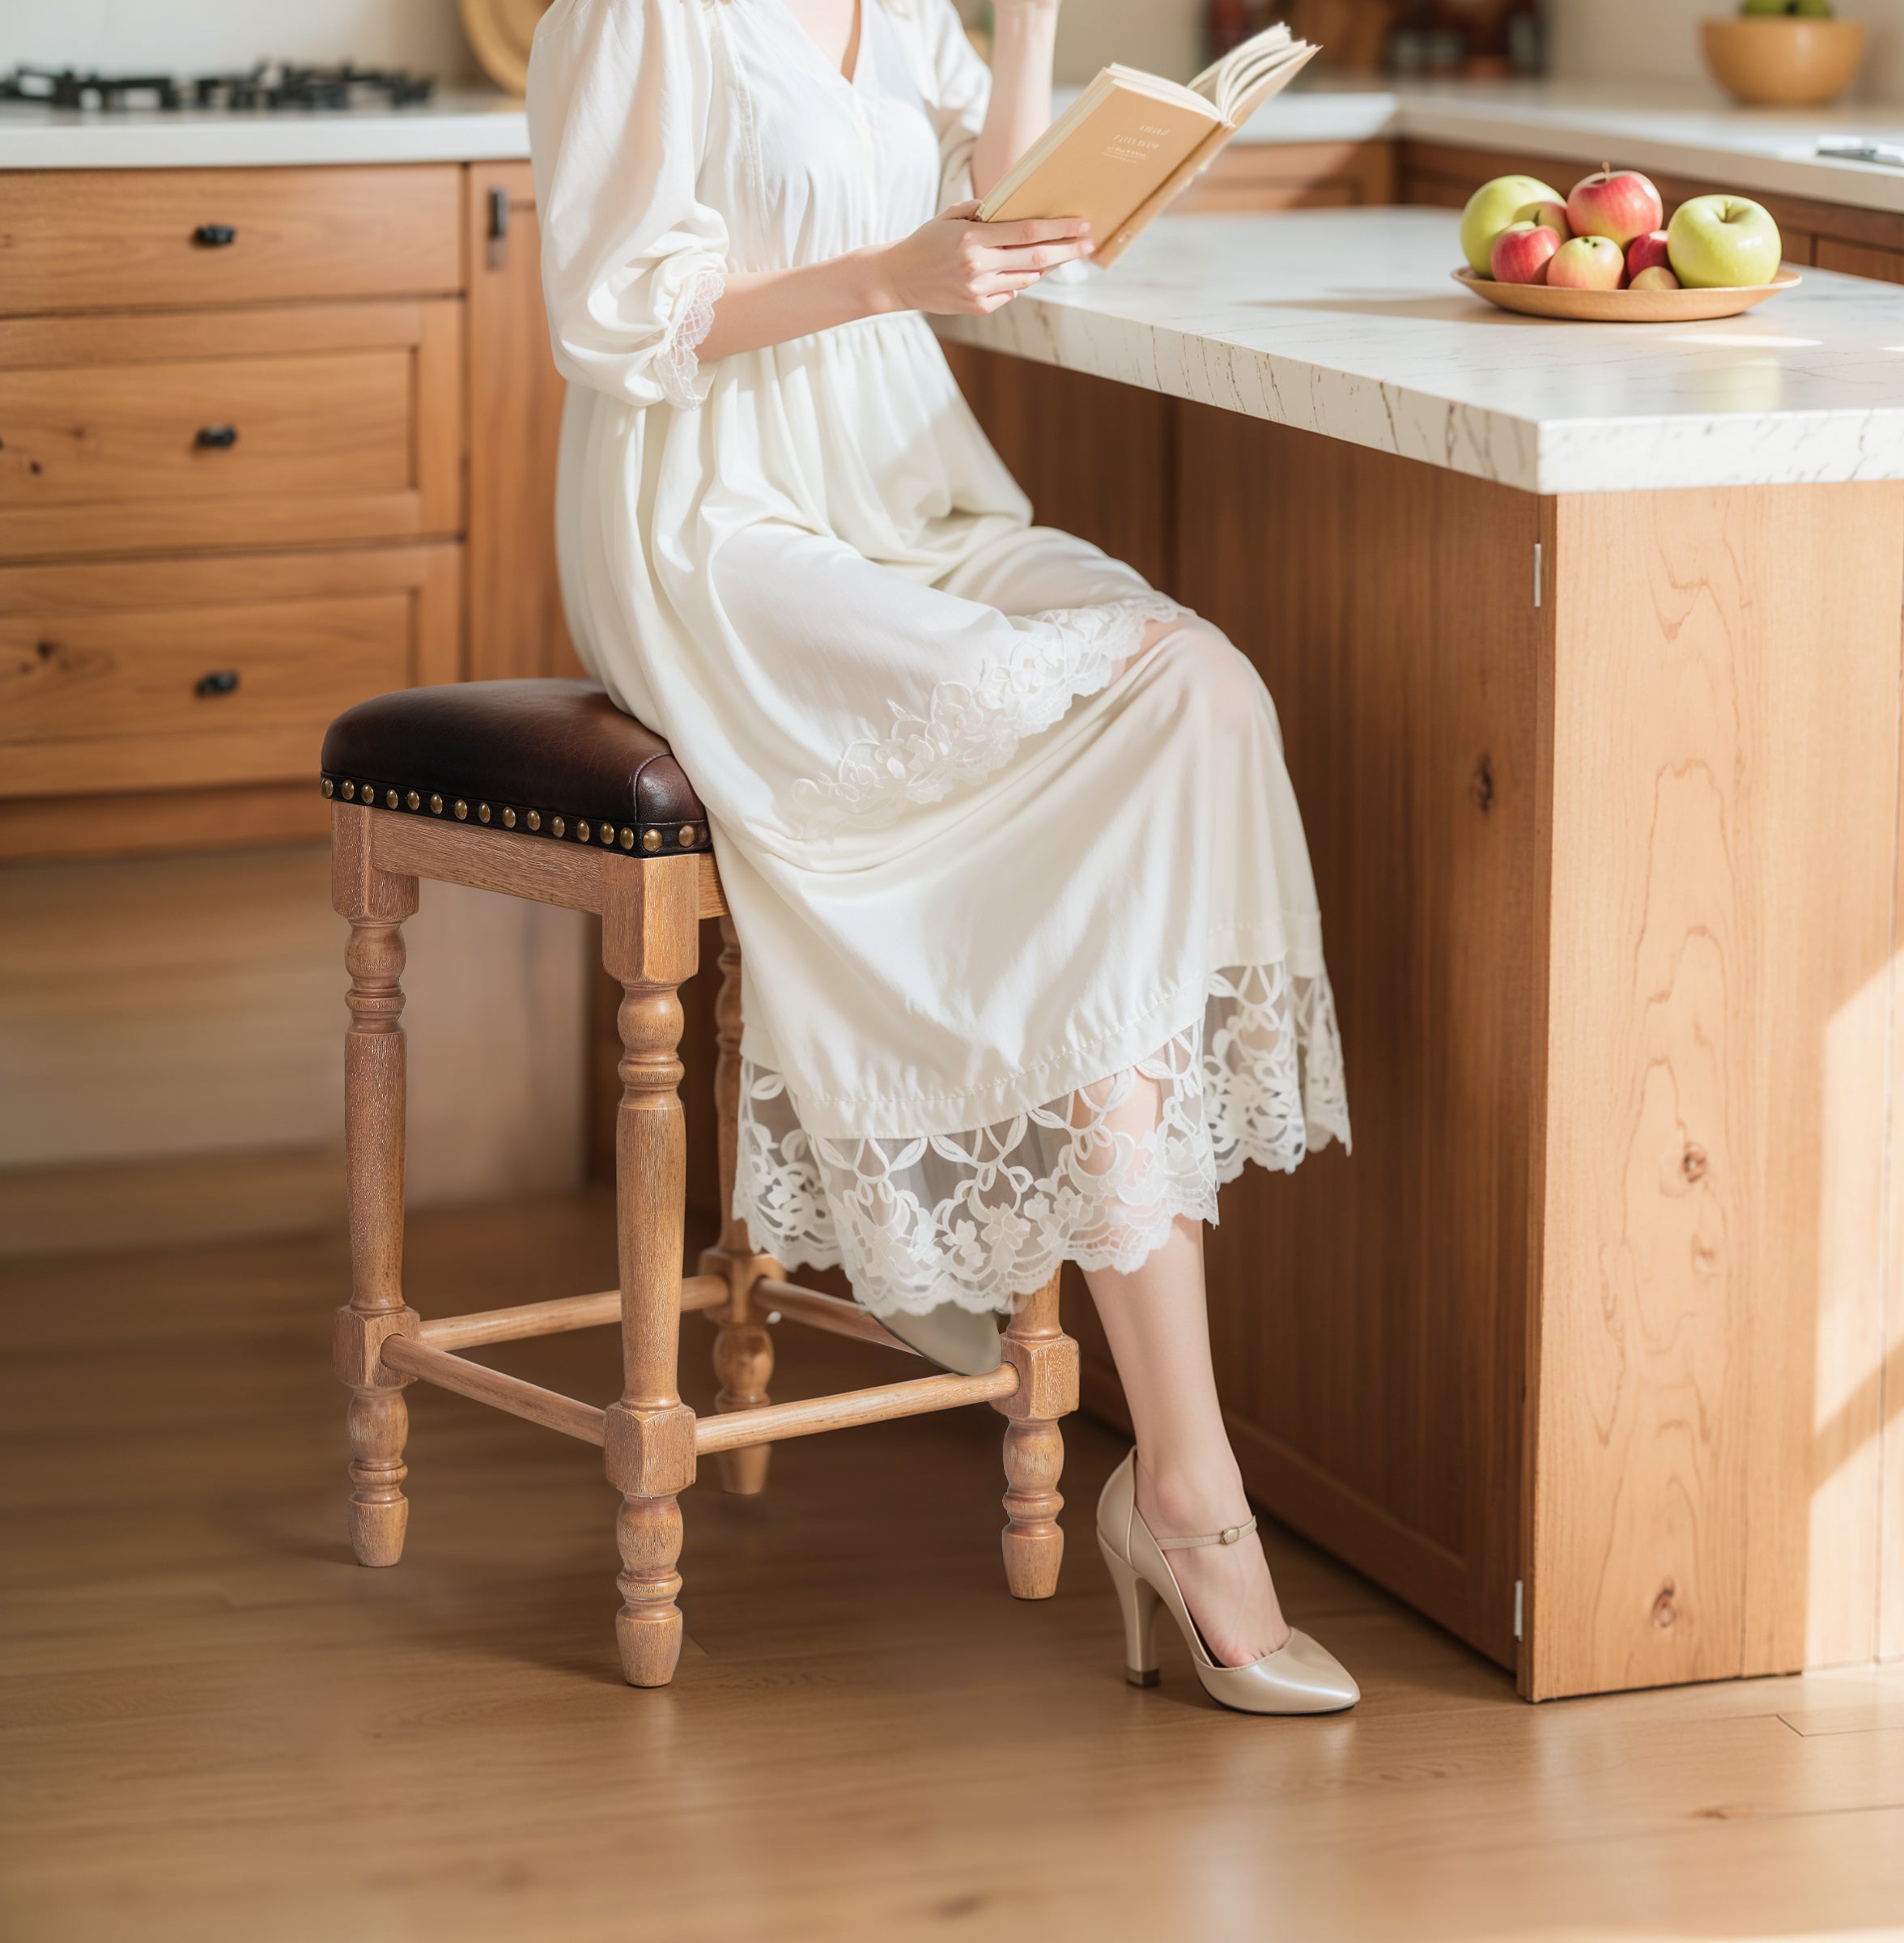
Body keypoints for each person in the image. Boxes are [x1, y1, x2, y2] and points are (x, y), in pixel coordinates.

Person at [527, 0, 1357, 1713]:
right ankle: (1188, 1486)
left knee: (1199, 688)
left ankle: (1011, 1282)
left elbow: (1020, 216)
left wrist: (1031, 23)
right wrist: (894, 275)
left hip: (904, 492)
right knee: (1074, 709)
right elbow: (611, 317)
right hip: (714, 520)